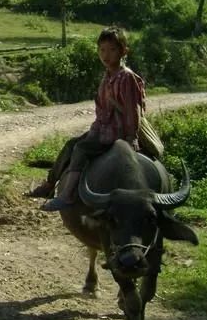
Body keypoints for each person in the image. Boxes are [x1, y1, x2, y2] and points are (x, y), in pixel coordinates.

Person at [32, 26, 146, 211]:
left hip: (116, 134)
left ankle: (67, 195)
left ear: (124, 51)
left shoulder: (126, 78)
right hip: (101, 130)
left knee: (82, 150)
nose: (106, 55)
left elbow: (133, 110)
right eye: (102, 50)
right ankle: (49, 185)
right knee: (70, 145)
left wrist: (131, 137)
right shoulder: (108, 77)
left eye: (112, 50)